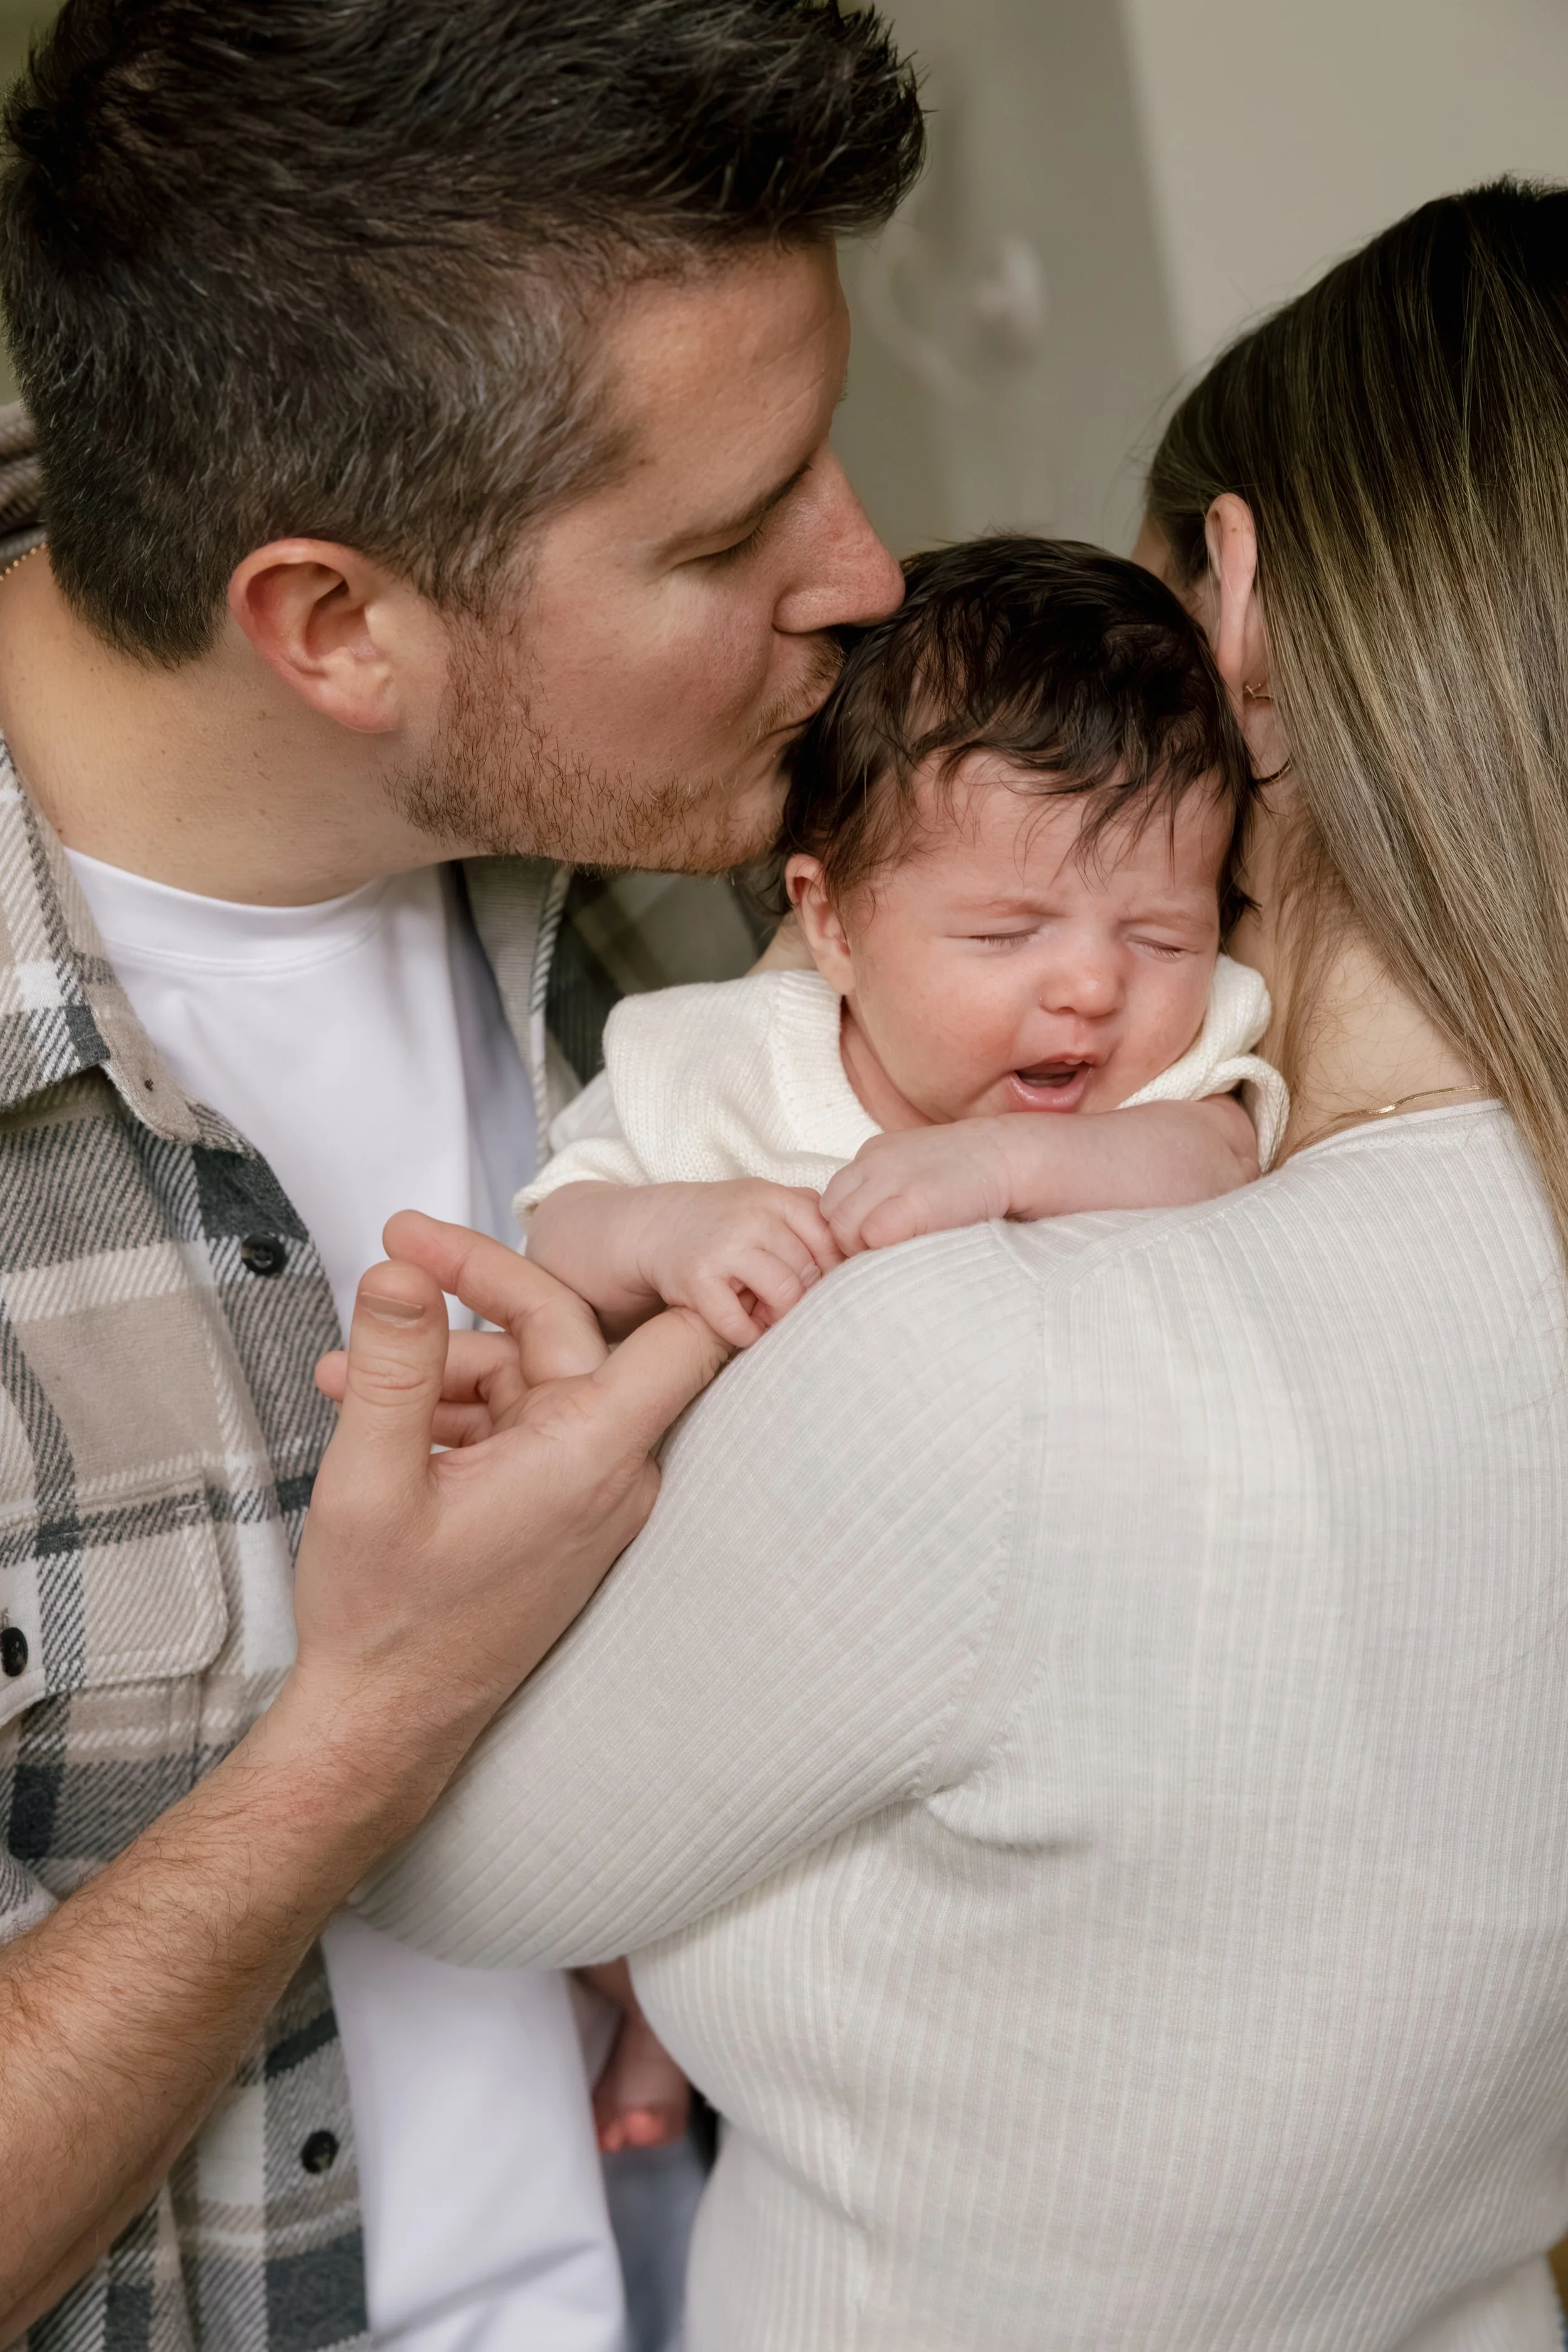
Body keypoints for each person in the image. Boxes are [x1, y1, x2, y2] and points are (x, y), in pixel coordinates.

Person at [354, 180, 1568, 2349]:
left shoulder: (997, 1370)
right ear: (834, 911)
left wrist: (387, 1594)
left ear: (1251, 621)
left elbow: (443, 1869)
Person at [0, 4, 923, 2349]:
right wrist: (373, 1717)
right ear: (331, 625)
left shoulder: (727, 834)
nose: (869, 577)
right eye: (727, 537)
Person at [522, 537, 1285, 1346]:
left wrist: (1004, 1164)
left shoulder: (1162, 1079)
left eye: (1164, 941)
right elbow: (552, 1237)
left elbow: (1221, 1158)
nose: (1094, 989)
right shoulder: (720, 1065)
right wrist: (663, 1235)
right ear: (833, 924)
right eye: (1006, 934)